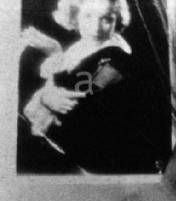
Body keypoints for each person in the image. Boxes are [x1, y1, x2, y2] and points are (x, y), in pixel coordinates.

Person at [18, 0, 154, 174]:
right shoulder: (80, 47)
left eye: (107, 19)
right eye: (88, 16)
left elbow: (84, 93)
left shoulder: (118, 57)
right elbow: (56, 83)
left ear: (117, 20)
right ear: (75, 16)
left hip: (94, 150)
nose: (96, 27)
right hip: (65, 138)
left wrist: (54, 55)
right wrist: (55, 56)